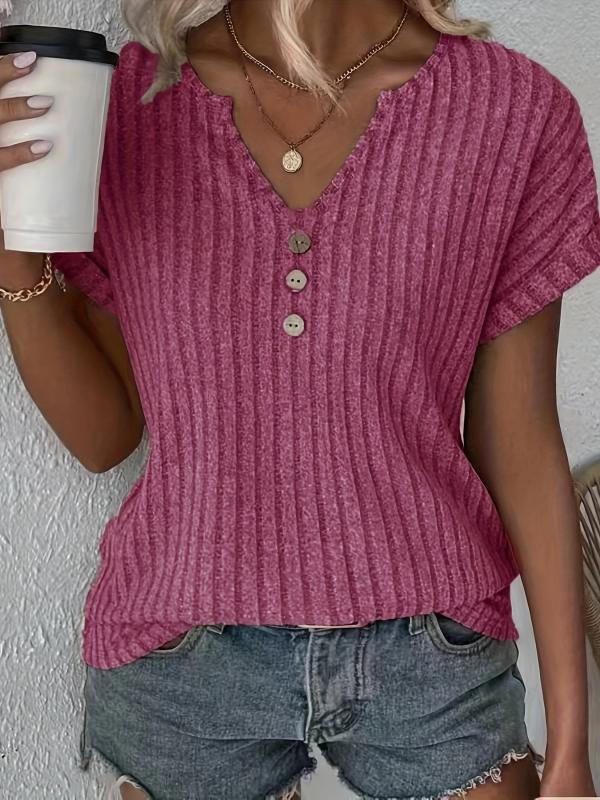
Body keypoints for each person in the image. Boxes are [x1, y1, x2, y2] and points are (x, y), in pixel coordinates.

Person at [1, 0, 599, 798]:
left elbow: (518, 440)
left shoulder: (511, 115)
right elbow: (105, 437)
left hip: (430, 655)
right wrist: (13, 257)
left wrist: (570, 745)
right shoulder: (131, 103)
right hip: (181, 659)